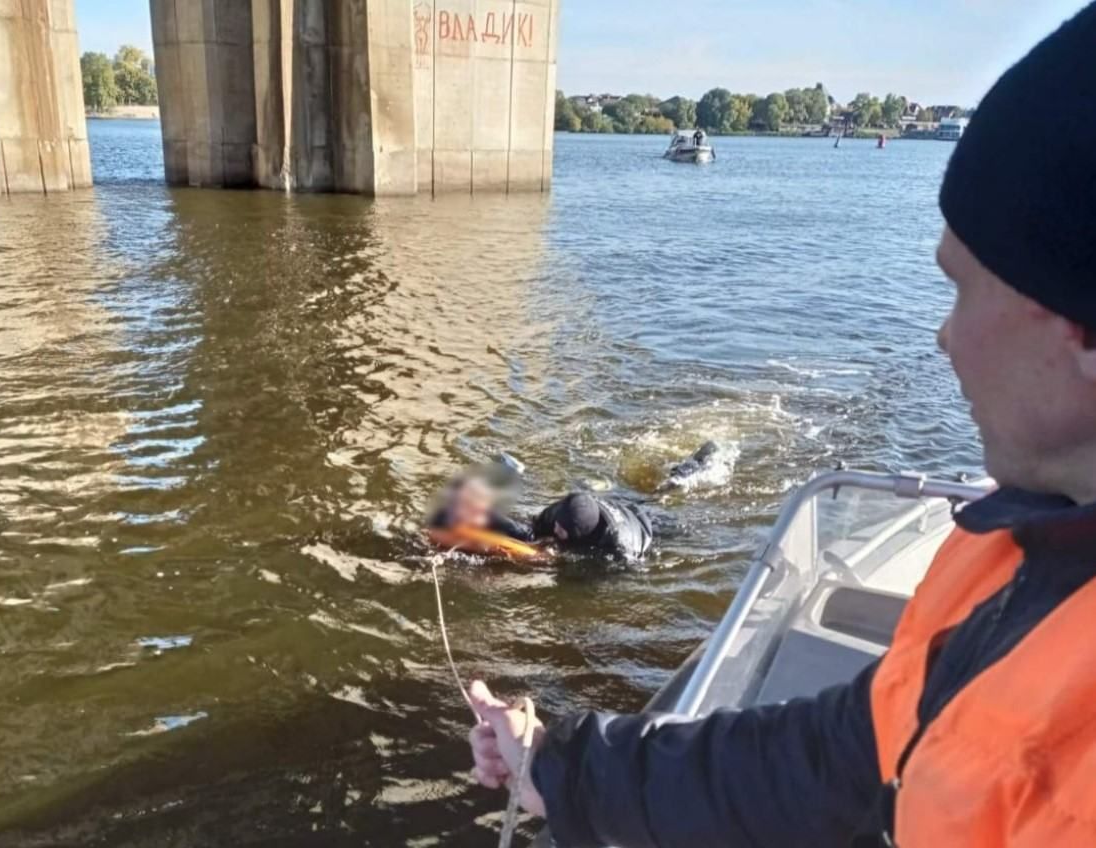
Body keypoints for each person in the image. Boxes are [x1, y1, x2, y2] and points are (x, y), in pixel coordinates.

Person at [467, 5, 1096, 846]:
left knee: (697, 472)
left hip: (647, 519)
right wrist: (561, 766)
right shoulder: (1018, 558)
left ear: (1083, 333)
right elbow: (841, 752)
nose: (942, 335)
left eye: (960, 290)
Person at [429, 477, 654, 561]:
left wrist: (563, 558)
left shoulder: (619, 547)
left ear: (578, 534)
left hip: (644, 524)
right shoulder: (559, 512)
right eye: (557, 526)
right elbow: (532, 531)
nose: (555, 531)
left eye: (562, 531)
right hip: (607, 506)